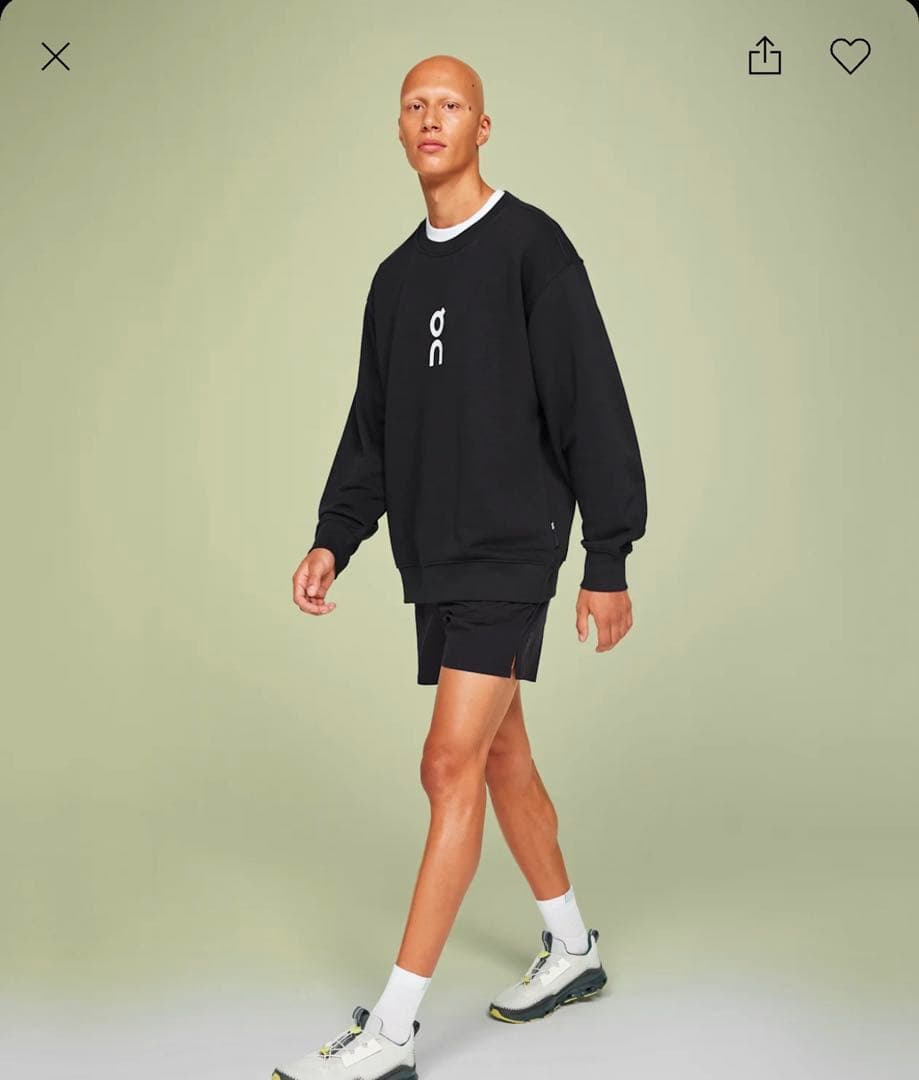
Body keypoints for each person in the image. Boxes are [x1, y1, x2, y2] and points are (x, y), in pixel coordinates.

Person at [278, 53, 647, 1080]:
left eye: (452, 104)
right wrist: (334, 535)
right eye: (415, 105)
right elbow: (373, 428)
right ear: (399, 130)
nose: (431, 118)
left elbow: (590, 399)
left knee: (445, 764)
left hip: (511, 548)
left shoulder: (533, 247)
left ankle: (391, 1033)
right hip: (434, 558)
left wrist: (607, 555)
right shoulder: (395, 280)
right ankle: (571, 949)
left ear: (483, 128)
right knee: (497, 756)